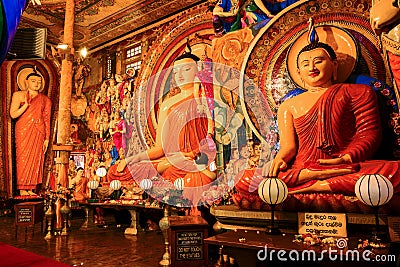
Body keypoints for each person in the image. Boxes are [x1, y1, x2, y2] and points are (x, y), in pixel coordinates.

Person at [263, 35, 400, 194]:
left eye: (318, 61)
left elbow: (369, 136)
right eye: (306, 64)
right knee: (249, 179)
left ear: (334, 65)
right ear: (299, 73)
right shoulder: (287, 105)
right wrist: (279, 160)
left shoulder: (358, 92)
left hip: (347, 166)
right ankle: (315, 177)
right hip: (302, 168)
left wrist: (345, 159)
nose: (312, 67)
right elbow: (289, 147)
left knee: (394, 171)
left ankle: (316, 186)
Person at [110, 50, 217, 208]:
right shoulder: (167, 104)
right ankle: (166, 167)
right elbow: (160, 148)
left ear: (197, 71)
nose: (180, 75)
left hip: (197, 159)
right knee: (115, 171)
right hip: (171, 160)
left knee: (184, 171)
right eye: (176, 72)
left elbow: (211, 133)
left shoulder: (205, 98)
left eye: (186, 69)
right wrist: (131, 159)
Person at [10, 66, 51, 196]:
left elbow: (46, 120)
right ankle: (22, 188)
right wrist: (26, 105)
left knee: (35, 159)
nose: (36, 84)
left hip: (39, 131)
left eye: (39, 81)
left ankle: (31, 188)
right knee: (23, 158)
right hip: (23, 130)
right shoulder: (18, 95)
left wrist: (47, 138)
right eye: (33, 81)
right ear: (26, 82)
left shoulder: (45, 100)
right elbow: (13, 114)